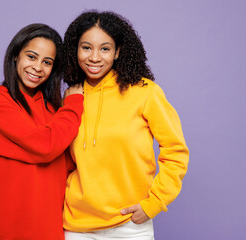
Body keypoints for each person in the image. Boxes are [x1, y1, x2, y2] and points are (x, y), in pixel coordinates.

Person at [62, 11, 189, 240]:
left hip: (129, 225)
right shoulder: (71, 98)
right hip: (76, 225)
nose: (94, 57)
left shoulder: (145, 92)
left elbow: (175, 152)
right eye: (86, 47)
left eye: (105, 48)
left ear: (118, 51)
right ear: (75, 50)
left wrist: (155, 203)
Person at [0, 23, 84, 240]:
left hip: (45, 230)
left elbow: (67, 164)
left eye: (47, 62)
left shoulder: (54, 110)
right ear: (16, 55)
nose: (38, 67)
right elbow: (46, 146)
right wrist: (73, 105)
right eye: (31, 56)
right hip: (2, 228)